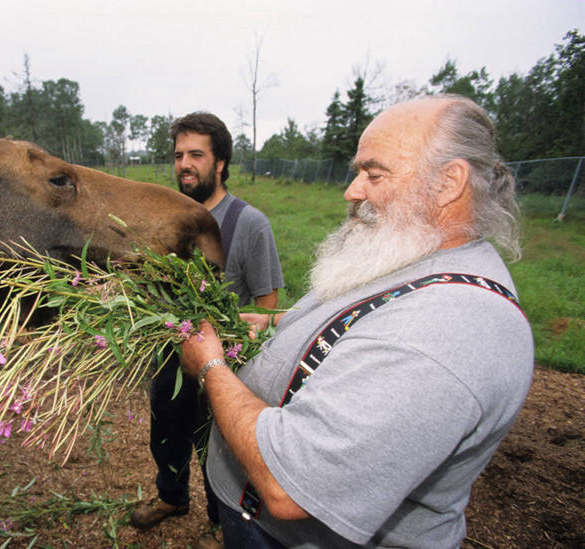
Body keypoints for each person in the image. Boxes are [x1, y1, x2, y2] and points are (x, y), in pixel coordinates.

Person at [179, 95, 534, 548]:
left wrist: (211, 367)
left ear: (449, 182)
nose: (352, 190)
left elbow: (288, 486)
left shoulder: (447, 334)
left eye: (374, 173)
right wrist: (280, 325)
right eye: (356, 172)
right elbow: (371, 317)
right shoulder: (413, 251)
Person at [130, 112, 284, 548]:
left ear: (220, 163)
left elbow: (267, 306)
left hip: (223, 363)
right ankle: (172, 497)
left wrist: (241, 360)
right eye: (179, 155)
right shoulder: (167, 218)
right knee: (167, 433)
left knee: (219, 450)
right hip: (169, 354)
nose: (184, 164)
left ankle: (222, 523)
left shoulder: (249, 223)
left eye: (196, 154)